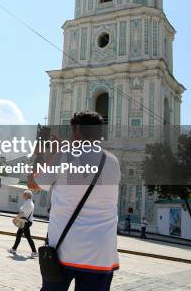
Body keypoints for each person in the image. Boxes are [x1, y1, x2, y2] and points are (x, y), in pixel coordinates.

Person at [29, 111, 120, 291]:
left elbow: (33, 183)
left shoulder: (63, 156)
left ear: (77, 128)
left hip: (65, 250)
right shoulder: (113, 161)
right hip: (101, 253)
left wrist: (40, 155)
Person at [8, 190, 37, 257]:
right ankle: (14, 249)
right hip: (26, 222)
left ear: (27, 195)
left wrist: (15, 218)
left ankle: (34, 252)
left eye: (24, 194)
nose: (23, 195)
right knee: (19, 234)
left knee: (28, 237)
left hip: (25, 222)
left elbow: (23, 213)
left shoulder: (27, 203)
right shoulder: (30, 202)